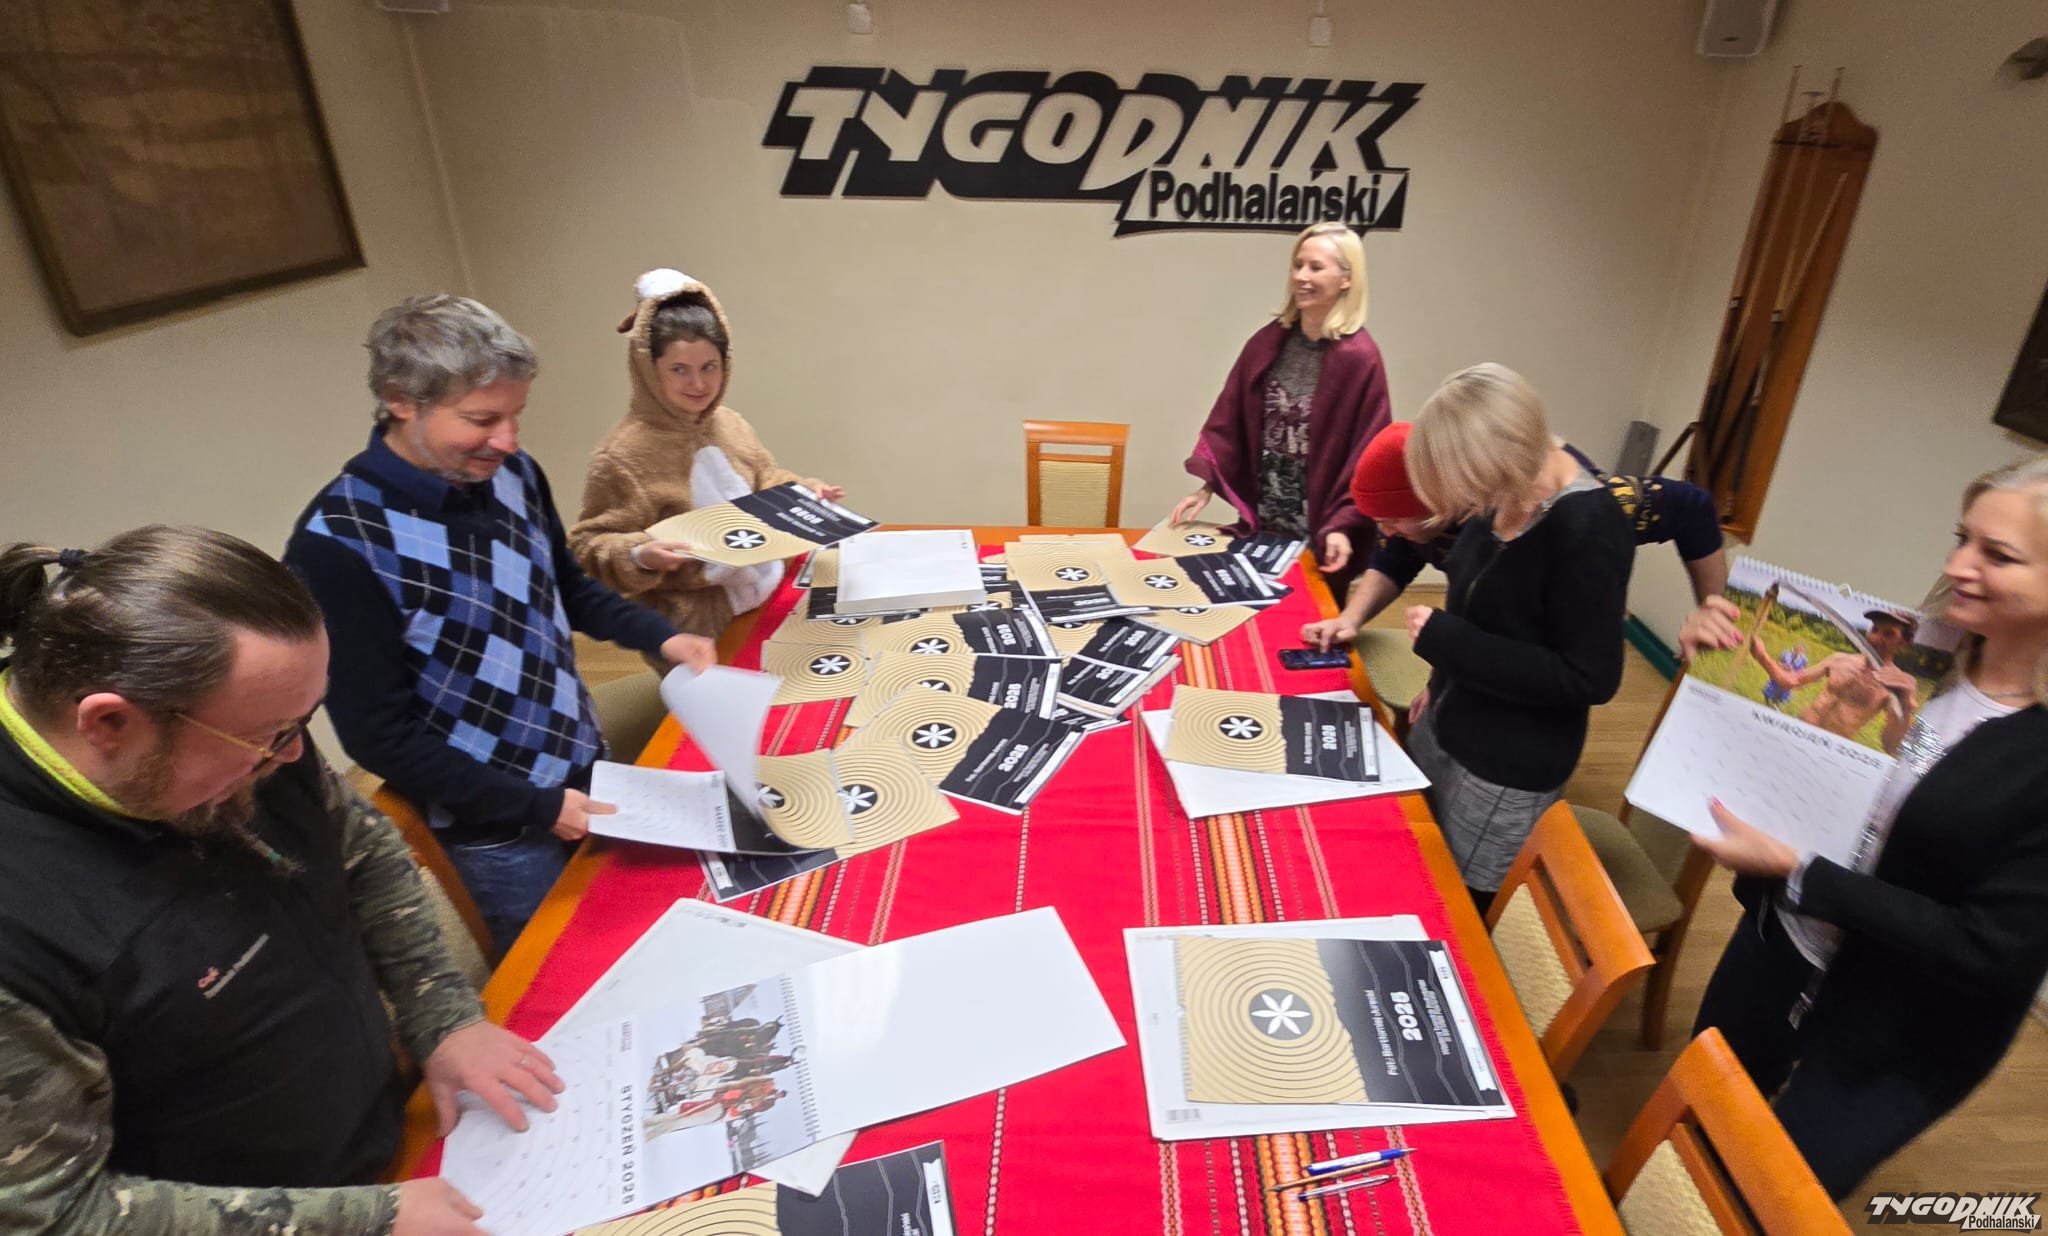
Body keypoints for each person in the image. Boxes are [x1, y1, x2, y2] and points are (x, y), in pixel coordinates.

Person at [0, 527, 563, 1236]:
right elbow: (52, 1215)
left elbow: (362, 850)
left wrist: (443, 1016)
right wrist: (364, 1220)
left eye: (302, 722)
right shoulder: (21, 933)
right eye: (269, 736)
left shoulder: (237, 730)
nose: (293, 755)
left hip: (399, 1147)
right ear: (110, 724)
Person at [285, 295, 715, 953]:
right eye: (481, 420)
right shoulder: (337, 545)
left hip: (584, 772)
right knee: (555, 970)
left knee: (637, 941)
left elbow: (564, 588)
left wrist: (660, 635)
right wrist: (536, 807)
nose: (507, 440)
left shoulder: (513, 473)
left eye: (515, 415)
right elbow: (380, 737)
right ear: (401, 401)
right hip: (497, 832)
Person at [1683, 456, 2048, 1200]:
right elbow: (1850, 779)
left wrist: (1801, 871)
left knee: (1770, 1196)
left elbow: (1991, 948)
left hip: (1901, 1029)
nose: (1956, 566)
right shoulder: (1928, 663)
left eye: (1998, 555)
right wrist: (1718, 655)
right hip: (1782, 950)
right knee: (1696, 1130)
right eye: (1962, 539)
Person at [1397, 365, 1634, 908]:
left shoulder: (1591, 529)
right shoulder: (1508, 493)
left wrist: (1450, 645)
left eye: (1473, 487)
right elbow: (1476, 602)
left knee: (1460, 906)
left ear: (1505, 459)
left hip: (1504, 765)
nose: (1473, 503)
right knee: (1415, 866)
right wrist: (1439, 680)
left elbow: (1589, 677)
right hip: (1449, 721)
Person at [570, 269, 844, 637]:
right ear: (648, 368)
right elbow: (587, 545)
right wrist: (639, 555)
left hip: (769, 592)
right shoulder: (622, 456)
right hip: (695, 623)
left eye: (709, 367)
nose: (698, 384)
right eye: (679, 370)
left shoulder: (730, 423)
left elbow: (765, 480)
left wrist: (805, 493)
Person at [1301, 421, 1727, 651]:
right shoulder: (1428, 504)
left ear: (1437, 503)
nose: (1385, 532)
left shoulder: (1577, 510)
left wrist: (1716, 611)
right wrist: (1349, 619)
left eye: (1392, 520)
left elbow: (1692, 506)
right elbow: (1395, 555)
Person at [1168, 222, 1391, 590]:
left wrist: (1343, 524)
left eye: (1315, 267)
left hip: (1322, 521)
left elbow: (1367, 454)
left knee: (1311, 614)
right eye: (1298, 265)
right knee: (1254, 605)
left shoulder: (1360, 358)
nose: (1301, 276)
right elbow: (1230, 420)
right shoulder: (1267, 342)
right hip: (1267, 514)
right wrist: (1208, 485)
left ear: (1347, 278)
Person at [1747, 608, 1920, 750]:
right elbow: (1791, 681)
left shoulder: (1897, 685)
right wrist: (1762, 656)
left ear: (1903, 643)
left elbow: (1890, 746)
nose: (1876, 638)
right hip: (1797, 730)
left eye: (1889, 634)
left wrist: (1905, 707)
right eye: (1875, 629)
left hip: (1827, 750)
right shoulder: (1839, 659)